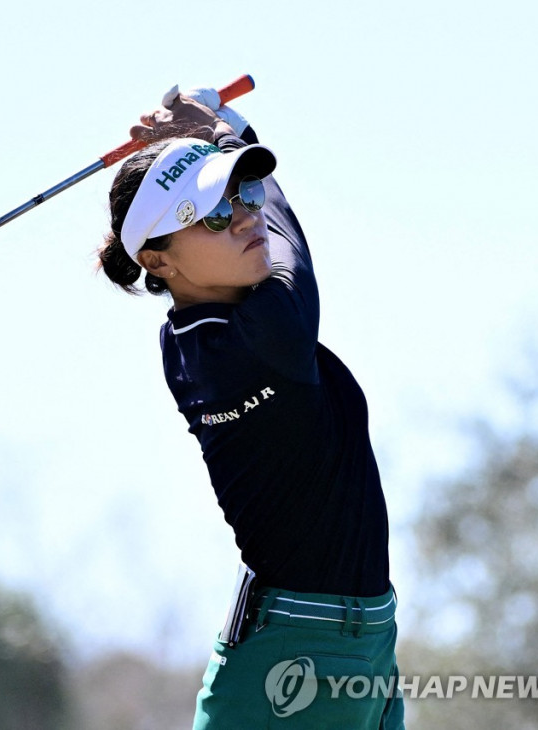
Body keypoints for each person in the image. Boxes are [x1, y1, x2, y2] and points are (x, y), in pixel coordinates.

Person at [98, 90, 405, 729]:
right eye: (211, 215)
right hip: (289, 664)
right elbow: (293, 253)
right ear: (157, 259)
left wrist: (221, 148)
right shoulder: (257, 338)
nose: (244, 218)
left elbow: (271, 238)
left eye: (243, 195)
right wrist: (227, 131)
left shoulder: (194, 333)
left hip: (360, 649)